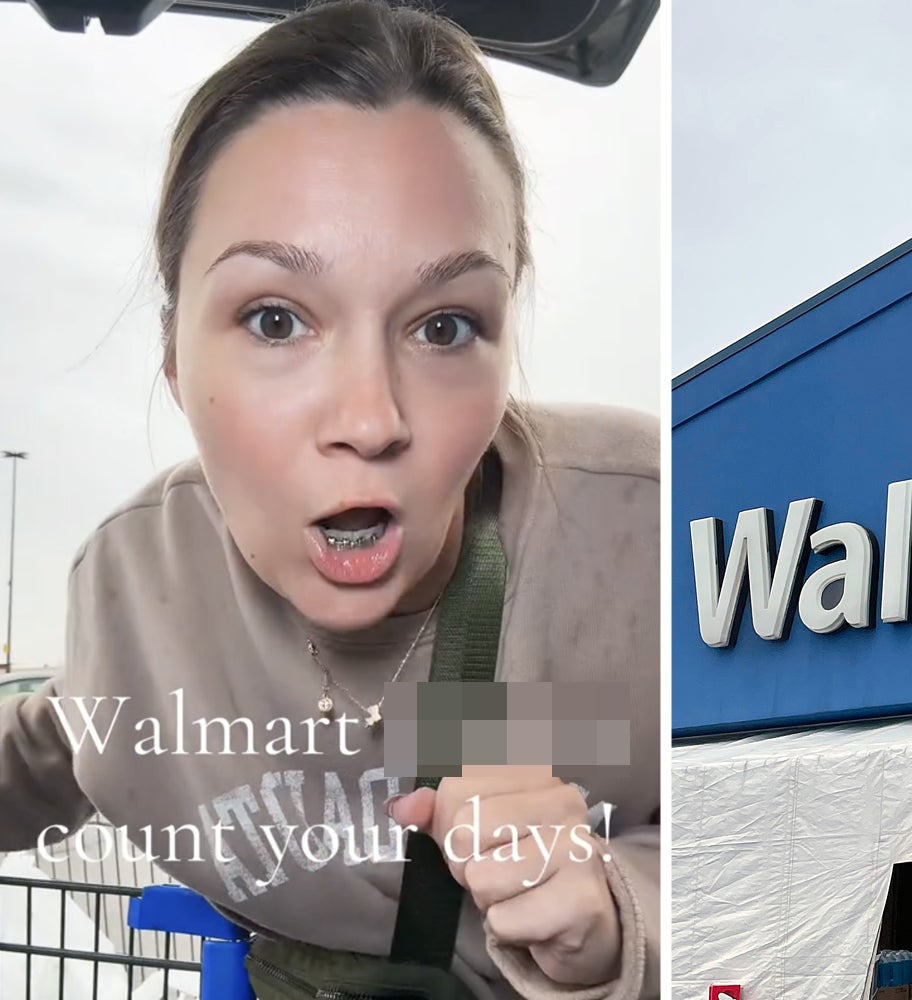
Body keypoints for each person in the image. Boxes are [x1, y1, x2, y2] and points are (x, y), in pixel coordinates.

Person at [0, 4, 660, 999]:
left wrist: (619, 919)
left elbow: (765, 842)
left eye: (442, 325)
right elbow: (77, 738)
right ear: (176, 358)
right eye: (275, 318)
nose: (369, 416)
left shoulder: (638, 541)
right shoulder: (133, 584)